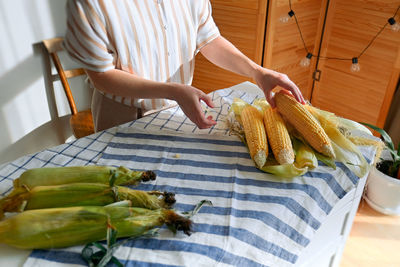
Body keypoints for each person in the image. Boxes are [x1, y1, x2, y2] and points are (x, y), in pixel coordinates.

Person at [64, 0, 305, 132]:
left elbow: (209, 40)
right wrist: (174, 90)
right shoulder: (90, 3)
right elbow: (101, 75)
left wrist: (257, 72)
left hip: (177, 110)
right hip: (122, 115)